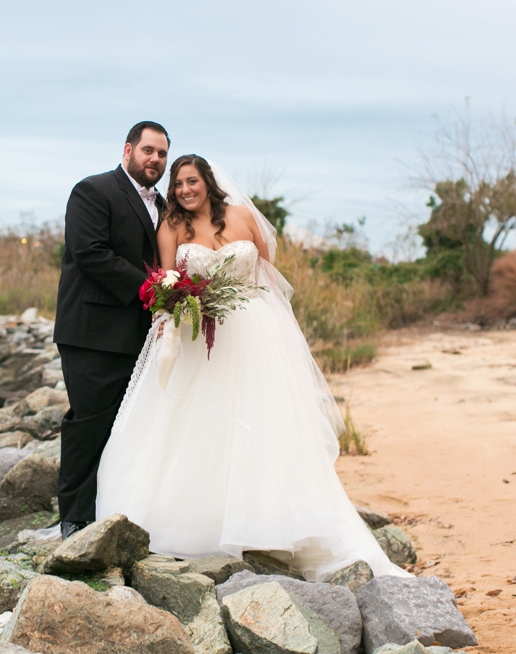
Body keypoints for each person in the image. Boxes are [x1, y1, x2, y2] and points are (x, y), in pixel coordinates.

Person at [96, 154, 411, 581]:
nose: (186, 190)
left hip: (255, 331)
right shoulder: (171, 227)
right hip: (198, 336)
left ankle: (272, 522)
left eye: (192, 181)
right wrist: (175, 302)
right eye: (179, 184)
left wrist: (279, 331)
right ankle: (202, 525)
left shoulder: (243, 217)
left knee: (262, 422)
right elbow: (166, 278)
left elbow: (268, 275)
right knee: (201, 424)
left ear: (207, 181)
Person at [53, 121, 169, 540]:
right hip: (92, 332)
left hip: (143, 337)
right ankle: (74, 519)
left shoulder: (166, 205)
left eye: (161, 154)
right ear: (128, 150)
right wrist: (151, 288)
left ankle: (115, 510)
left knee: (128, 428)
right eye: (148, 151)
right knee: (88, 423)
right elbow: (90, 252)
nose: (155, 159)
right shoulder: (93, 191)